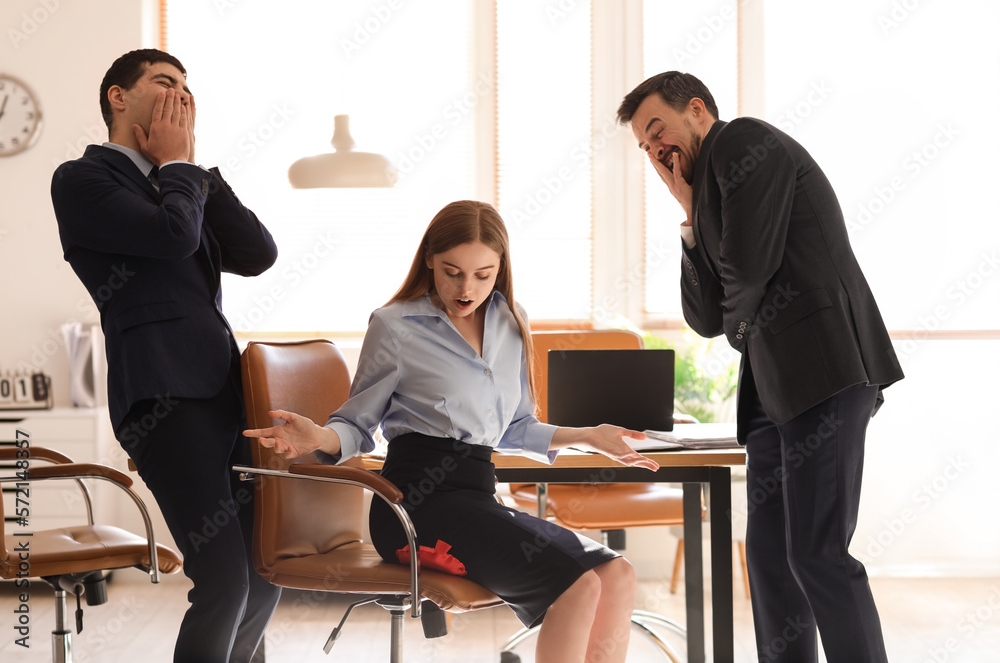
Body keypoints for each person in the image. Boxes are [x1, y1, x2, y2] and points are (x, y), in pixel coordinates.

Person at [243, 200, 659, 663]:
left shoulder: (511, 321)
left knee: (617, 574)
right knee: (577, 584)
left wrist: (588, 435)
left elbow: (516, 426)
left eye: (483, 274)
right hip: (414, 505)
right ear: (429, 260)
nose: (467, 288)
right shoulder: (395, 325)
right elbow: (356, 423)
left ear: (500, 269)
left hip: (477, 497)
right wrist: (319, 437)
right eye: (452, 271)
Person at [617, 71, 904, 663]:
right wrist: (690, 217)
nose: (654, 151)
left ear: (697, 110)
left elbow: (746, 272)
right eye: (644, 148)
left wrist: (736, 326)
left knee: (818, 552)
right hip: (774, 390)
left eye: (657, 132)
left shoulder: (745, 143)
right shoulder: (709, 190)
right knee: (770, 555)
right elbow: (704, 318)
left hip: (825, 368)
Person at [51, 49, 281, 663]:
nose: (181, 93)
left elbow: (259, 254)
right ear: (118, 98)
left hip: (228, 392)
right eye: (163, 81)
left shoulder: (181, 183)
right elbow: (172, 237)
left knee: (264, 575)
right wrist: (177, 165)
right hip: (164, 397)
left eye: (186, 85)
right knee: (225, 581)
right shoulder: (81, 180)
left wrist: (194, 170)